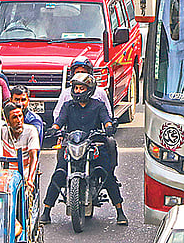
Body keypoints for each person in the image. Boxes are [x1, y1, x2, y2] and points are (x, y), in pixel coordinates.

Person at [41, 73, 126, 226]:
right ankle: (46, 211)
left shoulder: (98, 105)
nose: (78, 91)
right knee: (59, 174)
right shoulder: (68, 106)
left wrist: (108, 127)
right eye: (76, 88)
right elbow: (60, 120)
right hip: (72, 146)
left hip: (94, 146)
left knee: (107, 175)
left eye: (82, 88)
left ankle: (120, 211)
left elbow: (106, 119)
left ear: (90, 89)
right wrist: (54, 129)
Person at [0, 101, 40, 189]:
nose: (19, 120)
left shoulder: (31, 131)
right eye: (14, 117)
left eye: (20, 116)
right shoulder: (2, 131)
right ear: (7, 121)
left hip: (23, 174)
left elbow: (33, 156)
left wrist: (30, 179)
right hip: (5, 175)